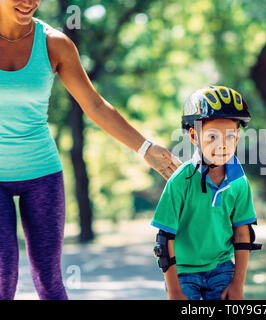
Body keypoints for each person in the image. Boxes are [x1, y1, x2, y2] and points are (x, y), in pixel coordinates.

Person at [0, 0, 181, 300]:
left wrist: (144, 147)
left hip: (41, 173)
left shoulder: (55, 44)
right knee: (3, 273)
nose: (30, 2)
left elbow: (94, 104)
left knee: (48, 277)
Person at [151, 86, 262, 300]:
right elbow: (165, 239)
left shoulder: (239, 182)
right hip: (183, 271)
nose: (222, 145)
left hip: (221, 268)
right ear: (194, 136)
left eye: (230, 136)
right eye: (212, 136)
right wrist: (174, 291)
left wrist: (238, 285)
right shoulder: (180, 181)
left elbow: (242, 234)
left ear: (237, 137)